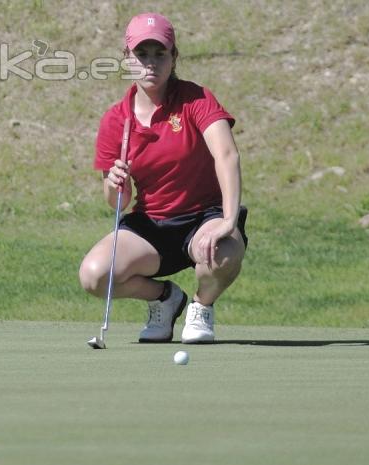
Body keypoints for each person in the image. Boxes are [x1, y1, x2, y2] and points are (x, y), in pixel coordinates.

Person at [78, 12, 247, 344]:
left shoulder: (195, 99)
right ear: (127, 58)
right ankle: (166, 299)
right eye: (141, 54)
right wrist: (115, 185)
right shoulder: (116, 120)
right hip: (152, 224)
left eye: (160, 54)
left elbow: (226, 154)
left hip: (204, 216)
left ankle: (201, 306)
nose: (150, 63)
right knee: (95, 277)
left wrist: (229, 220)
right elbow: (118, 203)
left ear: (174, 57)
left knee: (223, 253)